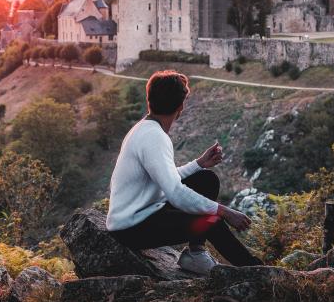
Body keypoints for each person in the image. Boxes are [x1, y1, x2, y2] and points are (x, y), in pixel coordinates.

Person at [106, 69, 263, 275]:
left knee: (206, 179)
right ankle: (256, 271)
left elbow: (166, 180)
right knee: (211, 222)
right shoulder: (154, 137)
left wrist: (198, 164)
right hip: (131, 228)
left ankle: (195, 255)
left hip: (142, 212)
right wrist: (224, 211)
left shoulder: (145, 129)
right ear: (181, 107)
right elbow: (176, 193)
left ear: (149, 99)